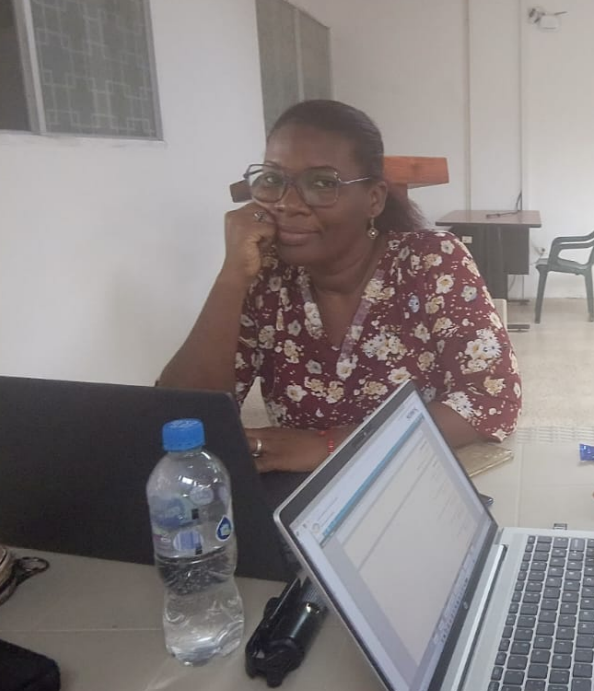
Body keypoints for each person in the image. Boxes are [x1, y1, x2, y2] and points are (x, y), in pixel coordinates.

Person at [160, 100, 522, 472]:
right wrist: (231, 277)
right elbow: (180, 419)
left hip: (411, 479)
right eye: (272, 180)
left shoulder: (429, 261)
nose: (287, 204)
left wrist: (331, 446)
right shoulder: (266, 277)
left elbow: (491, 401)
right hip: (301, 494)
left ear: (373, 199)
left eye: (322, 183)